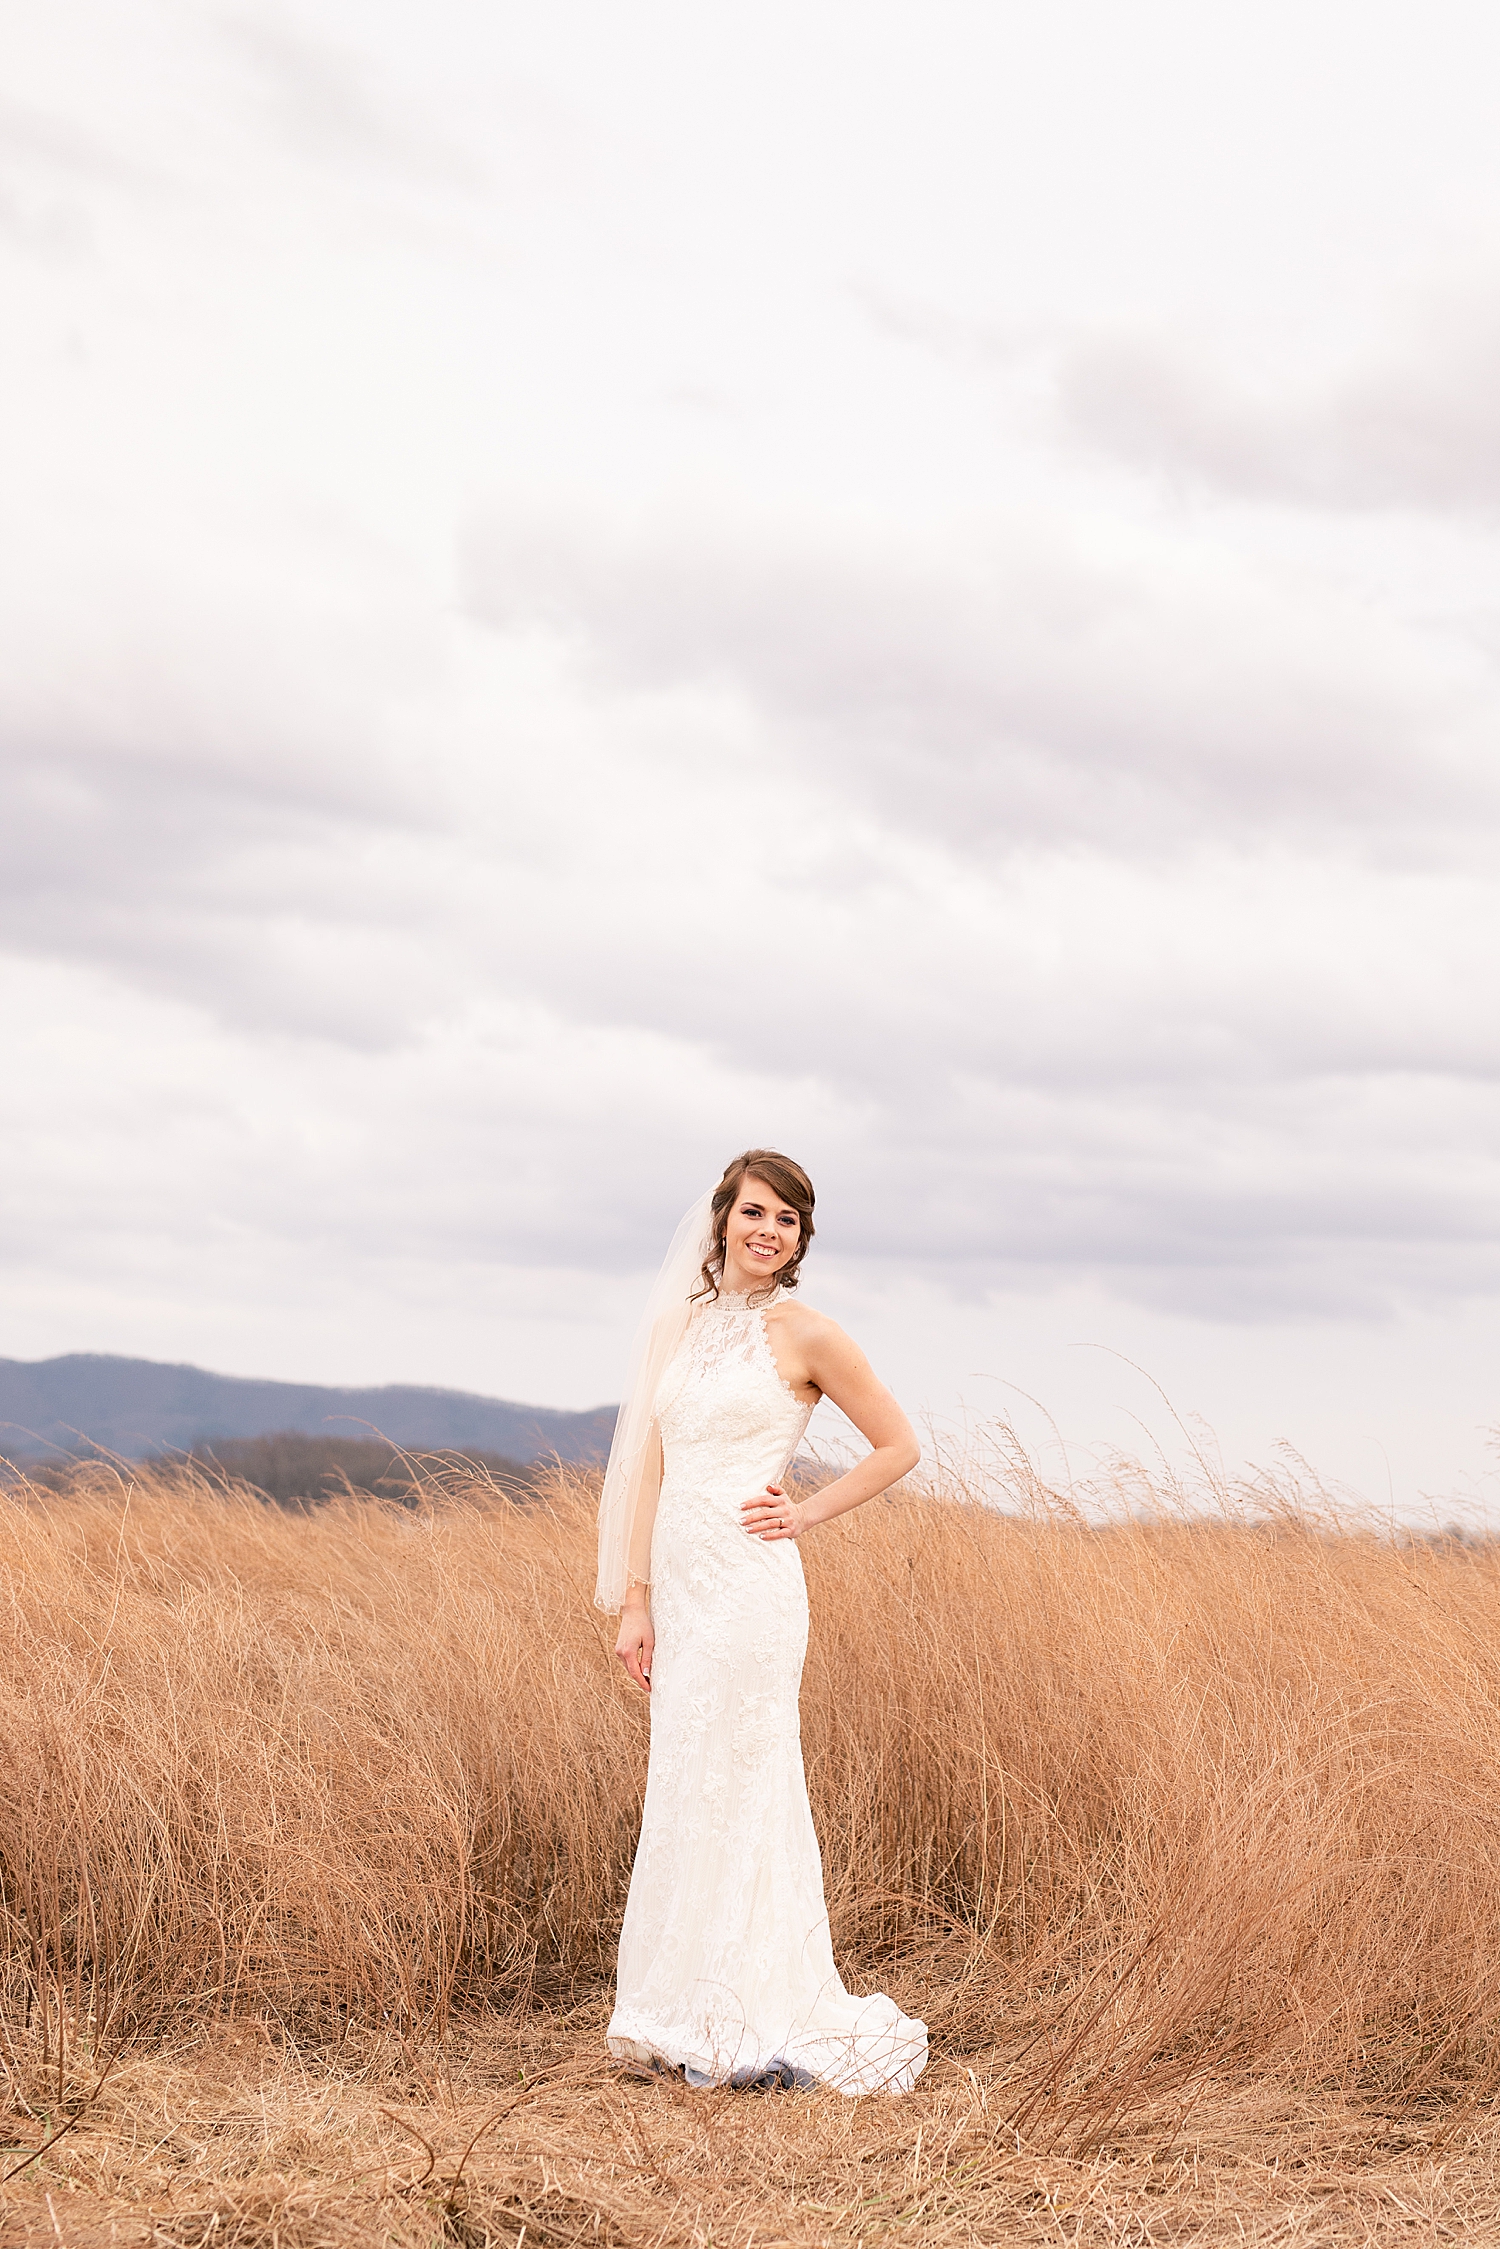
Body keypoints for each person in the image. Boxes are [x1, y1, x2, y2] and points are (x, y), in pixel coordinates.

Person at [598, 1148, 928, 2093]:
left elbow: (899, 1445)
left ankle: (748, 2008)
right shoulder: (682, 1326)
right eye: (753, 1212)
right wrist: (635, 1600)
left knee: (745, 1778)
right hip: (681, 1587)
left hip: (750, 1588)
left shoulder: (808, 1334)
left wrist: (807, 1512)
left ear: (799, 1241)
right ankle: (677, 2006)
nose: (766, 1230)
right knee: (686, 1778)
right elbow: (650, 1467)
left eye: (786, 1220)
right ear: (722, 1219)